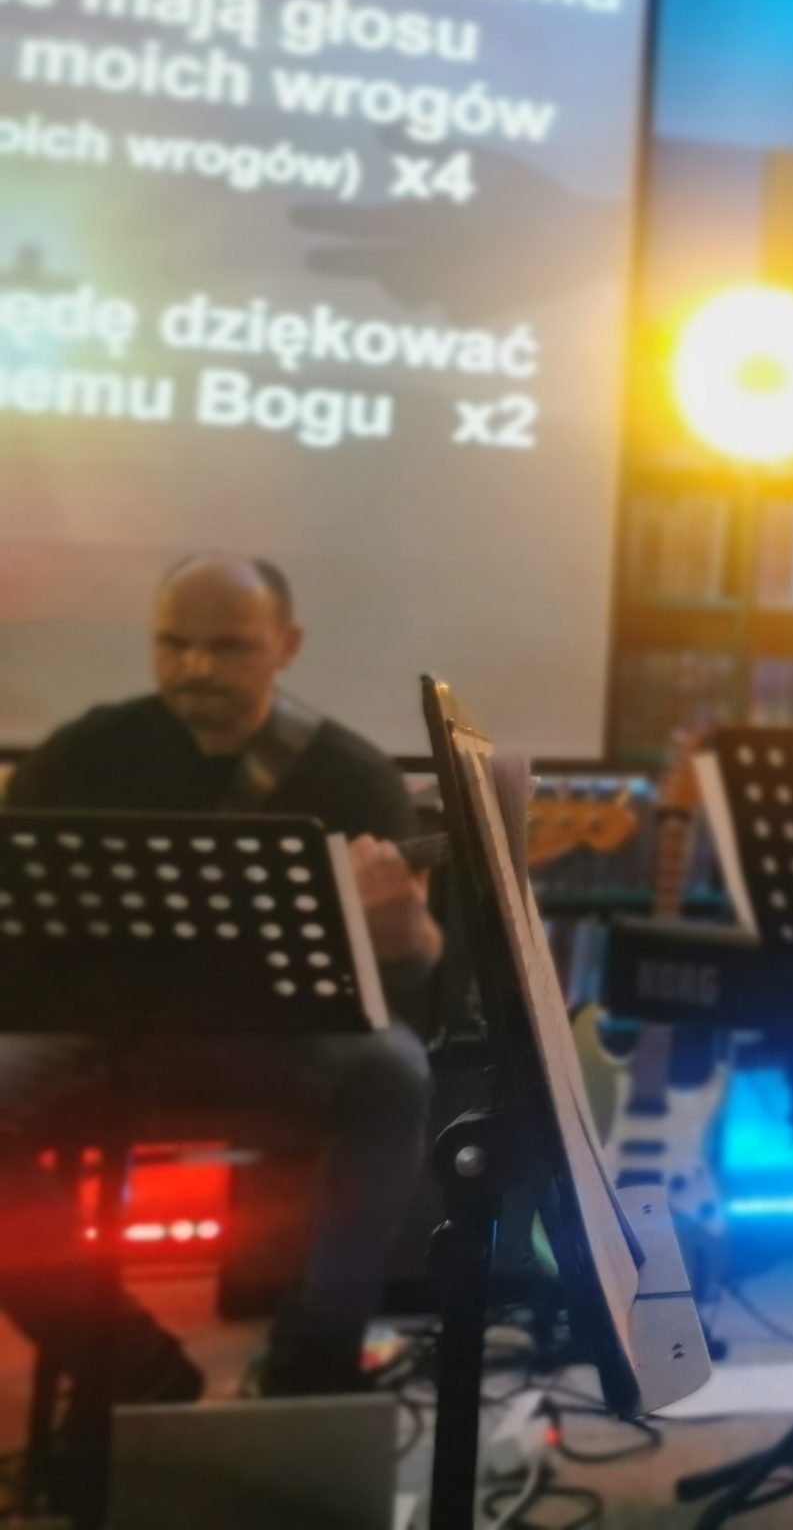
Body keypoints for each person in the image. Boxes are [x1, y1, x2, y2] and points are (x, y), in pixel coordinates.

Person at [0, 554, 439, 1398]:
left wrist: (401, 939)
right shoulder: (83, 753)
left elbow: (413, 989)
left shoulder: (352, 777)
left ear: (287, 646)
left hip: (282, 1040)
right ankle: (133, 1369)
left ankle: (315, 1363)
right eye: (174, 644)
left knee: (394, 1070)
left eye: (229, 647)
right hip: (102, 1030)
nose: (196, 667)